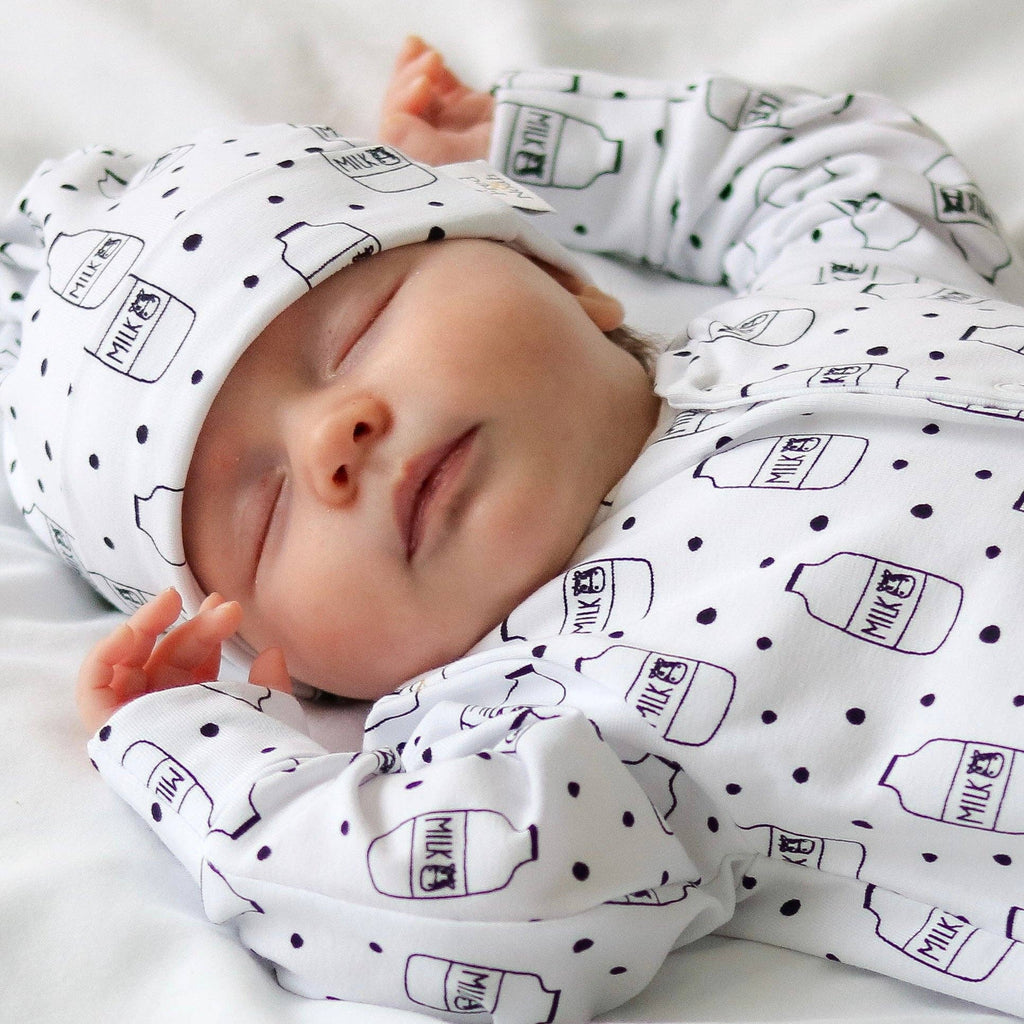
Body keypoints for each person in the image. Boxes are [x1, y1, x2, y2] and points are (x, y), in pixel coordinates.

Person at [3, 35, 1024, 1022]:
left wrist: (538, 145)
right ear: (302, 672)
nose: (333, 436)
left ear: (567, 283)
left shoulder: (822, 296)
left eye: (358, 331)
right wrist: (183, 744)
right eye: (265, 509)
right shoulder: (541, 722)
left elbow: (835, 167)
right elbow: (453, 897)